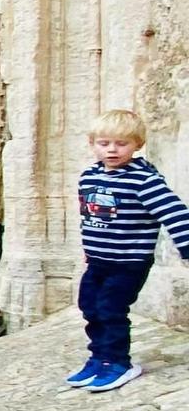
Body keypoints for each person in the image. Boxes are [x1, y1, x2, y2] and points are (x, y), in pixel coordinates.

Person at [68, 109, 189, 392]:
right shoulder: (89, 176)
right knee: (90, 306)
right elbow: (91, 218)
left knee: (111, 309)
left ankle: (119, 363)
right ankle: (99, 357)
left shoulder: (143, 181)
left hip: (129, 261)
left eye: (121, 144)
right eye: (104, 143)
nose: (112, 149)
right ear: (93, 143)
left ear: (137, 145)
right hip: (98, 261)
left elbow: (175, 214)